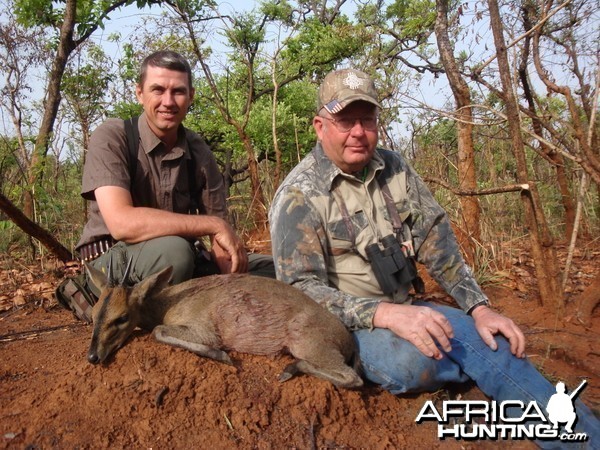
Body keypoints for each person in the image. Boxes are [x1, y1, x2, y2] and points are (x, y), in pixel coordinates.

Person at [269, 68, 599, 446]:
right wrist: (386, 315)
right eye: (345, 120)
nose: (358, 132)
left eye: (367, 119)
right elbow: (299, 292)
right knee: (414, 365)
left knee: (495, 343)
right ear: (320, 125)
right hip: (346, 329)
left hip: (408, 305)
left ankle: (581, 439)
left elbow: (437, 243)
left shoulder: (395, 168)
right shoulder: (299, 194)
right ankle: (476, 370)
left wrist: (478, 307)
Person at [58, 50, 273, 321]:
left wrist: (229, 269)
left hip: (176, 265)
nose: (168, 102)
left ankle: (195, 305)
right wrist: (214, 226)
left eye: (178, 92)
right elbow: (122, 224)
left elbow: (221, 243)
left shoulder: (197, 150)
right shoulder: (113, 136)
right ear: (140, 93)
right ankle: (119, 307)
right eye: (158, 90)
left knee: (273, 271)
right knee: (175, 253)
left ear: (191, 96)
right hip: (114, 262)